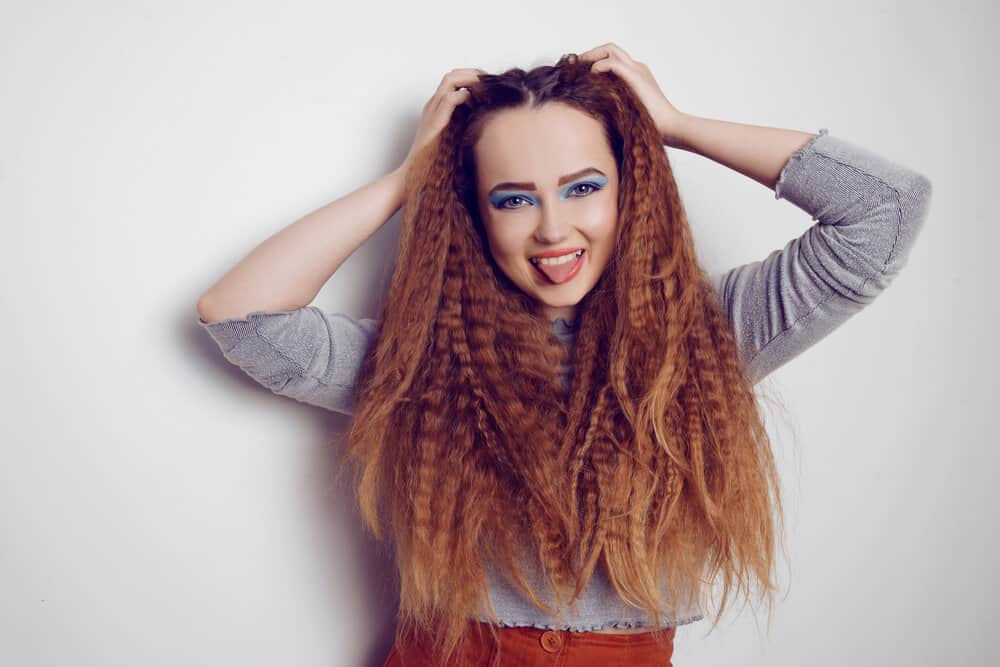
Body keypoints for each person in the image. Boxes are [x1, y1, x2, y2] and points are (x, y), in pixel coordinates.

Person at [196, 43, 933, 667]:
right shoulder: (427, 353)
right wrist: (406, 178)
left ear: (627, 188)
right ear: (474, 211)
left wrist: (673, 127)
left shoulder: (709, 335)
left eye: (583, 187)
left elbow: (887, 209)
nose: (553, 229)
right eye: (513, 198)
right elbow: (240, 314)